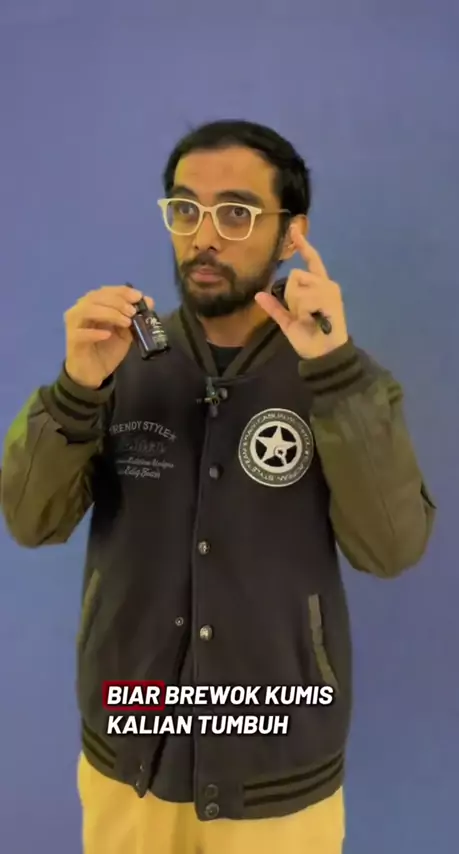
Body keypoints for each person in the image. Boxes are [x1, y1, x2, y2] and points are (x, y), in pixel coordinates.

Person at [0, 119, 436, 854]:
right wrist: (75, 390)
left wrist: (334, 375)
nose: (204, 236)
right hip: (128, 764)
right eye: (185, 209)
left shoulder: (342, 380)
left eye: (236, 212)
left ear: (291, 232)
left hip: (278, 780)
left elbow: (392, 549)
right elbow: (29, 519)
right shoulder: (118, 358)